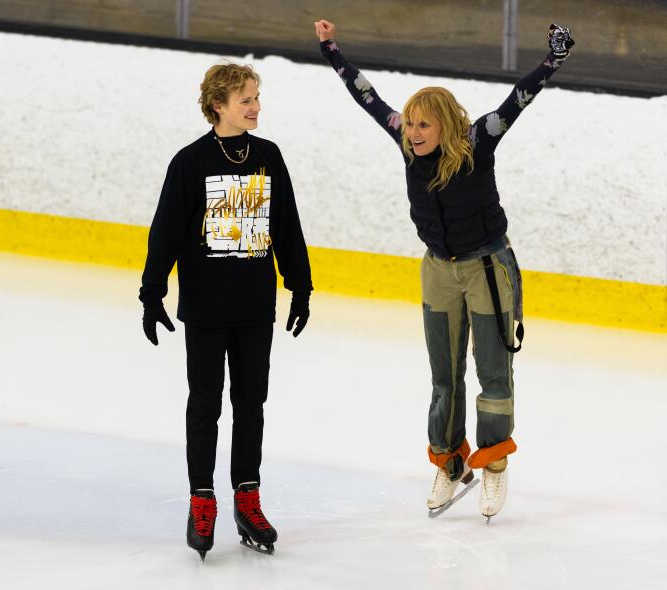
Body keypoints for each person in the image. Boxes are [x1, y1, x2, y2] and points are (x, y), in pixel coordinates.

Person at [314, 19, 574, 521]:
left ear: (444, 126)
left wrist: (553, 59)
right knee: (443, 376)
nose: (412, 133)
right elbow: (366, 96)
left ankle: (494, 464)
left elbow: (517, 101)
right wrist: (330, 49)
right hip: (438, 270)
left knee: (493, 372)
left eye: (422, 125)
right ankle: (450, 461)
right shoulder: (405, 145)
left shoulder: (477, 142)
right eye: (409, 124)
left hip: (487, 267)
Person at [139, 61, 313, 559]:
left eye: (257, 98)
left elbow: (287, 226)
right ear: (219, 105)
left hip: (255, 307)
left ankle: (247, 497)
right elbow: (166, 232)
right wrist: (152, 292)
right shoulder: (190, 163)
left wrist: (299, 286)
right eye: (246, 100)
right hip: (207, 309)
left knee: (251, 405)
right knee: (206, 406)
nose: (255, 107)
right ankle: (202, 500)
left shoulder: (269, 157)